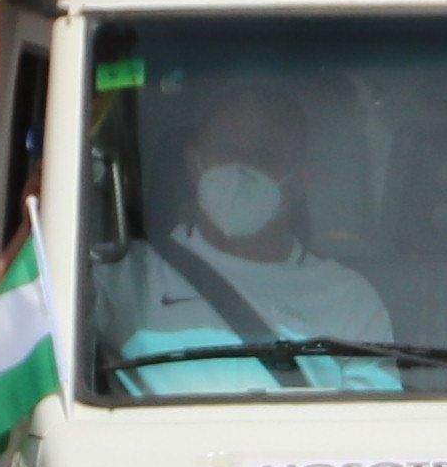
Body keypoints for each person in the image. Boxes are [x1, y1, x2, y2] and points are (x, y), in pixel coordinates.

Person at [98, 79, 403, 395]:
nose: (242, 168)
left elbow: (369, 428)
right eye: (228, 151)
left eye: (264, 155)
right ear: (193, 163)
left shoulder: (349, 300)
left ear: (300, 180)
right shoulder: (125, 277)